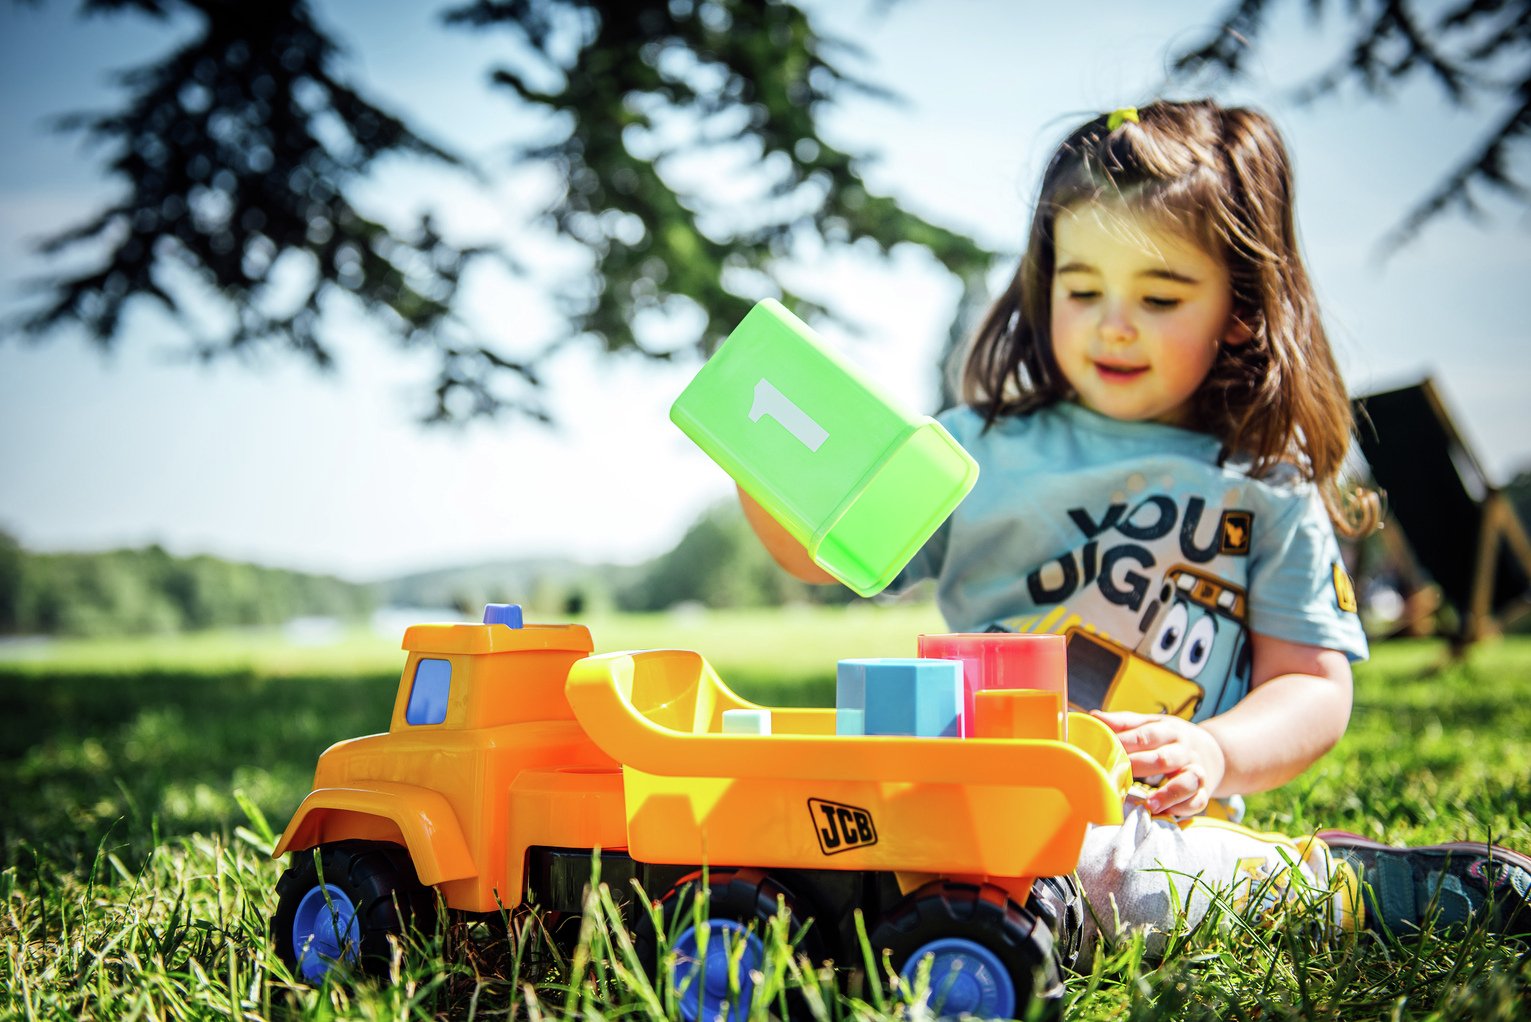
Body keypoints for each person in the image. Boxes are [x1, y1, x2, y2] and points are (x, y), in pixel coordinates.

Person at [740, 99, 1530, 957]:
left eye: (1158, 295)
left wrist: (1217, 751)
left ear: (1238, 307)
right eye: (1082, 289)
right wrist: (757, 458)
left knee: (1122, 881)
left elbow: (1311, 686)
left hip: (1146, 827)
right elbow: (822, 559)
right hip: (970, 801)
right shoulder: (975, 448)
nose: (1113, 322)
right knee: (824, 826)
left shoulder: (1266, 483)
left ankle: (1336, 887)